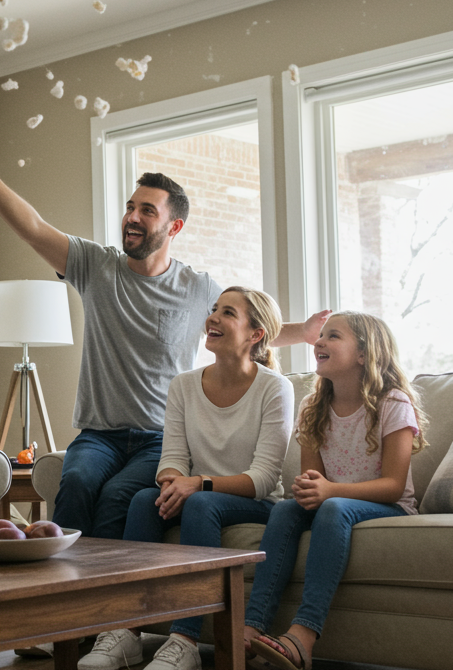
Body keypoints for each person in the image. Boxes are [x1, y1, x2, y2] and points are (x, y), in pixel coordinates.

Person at [0, 119, 328, 542]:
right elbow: (31, 227)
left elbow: (248, 328)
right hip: (98, 435)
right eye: (130, 207)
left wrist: (302, 332)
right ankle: (53, 590)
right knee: (77, 484)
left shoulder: (197, 288)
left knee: (118, 496)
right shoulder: (95, 266)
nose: (132, 217)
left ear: (173, 227)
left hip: (159, 438)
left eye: (147, 210)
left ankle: (103, 597)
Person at [79, 286, 294, 670]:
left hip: (254, 501)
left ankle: (185, 640)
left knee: (199, 503)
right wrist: (174, 481)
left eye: (227, 313)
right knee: (145, 500)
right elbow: (173, 457)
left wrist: (198, 484)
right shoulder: (183, 385)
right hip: (198, 493)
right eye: (214, 309)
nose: (212, 318)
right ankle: (126, 632)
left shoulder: (275, 388)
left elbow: (263, 478)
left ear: (255, 334)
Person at [244, 312, 428, 670]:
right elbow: (315, 480)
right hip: (335, 503)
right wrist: (311, 489)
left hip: (388, 506)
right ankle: (252, 627)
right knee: (284, 509)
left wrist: (329, 492)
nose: (319, 342)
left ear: (363, 354)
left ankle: (303, 637)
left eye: (333, 336)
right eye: (321, 336)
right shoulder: (312, 407)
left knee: (334, 507)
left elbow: (393, 486)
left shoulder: (393, 403)